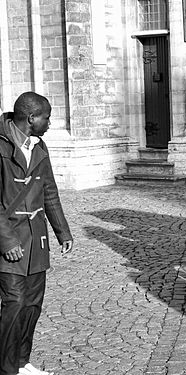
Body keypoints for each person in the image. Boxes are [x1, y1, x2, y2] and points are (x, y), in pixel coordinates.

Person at [0, 92, 73, 375]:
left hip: (36, 241)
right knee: (14, 304)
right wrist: (6, 241)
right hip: (10, 243)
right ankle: (6, 369)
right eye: (47, 117)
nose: (50, 122)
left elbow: (49, 192)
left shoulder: (40, 147)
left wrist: (62, 231)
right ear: (31, 118)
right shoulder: (2, 147)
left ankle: (22, 362)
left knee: (32, 305)